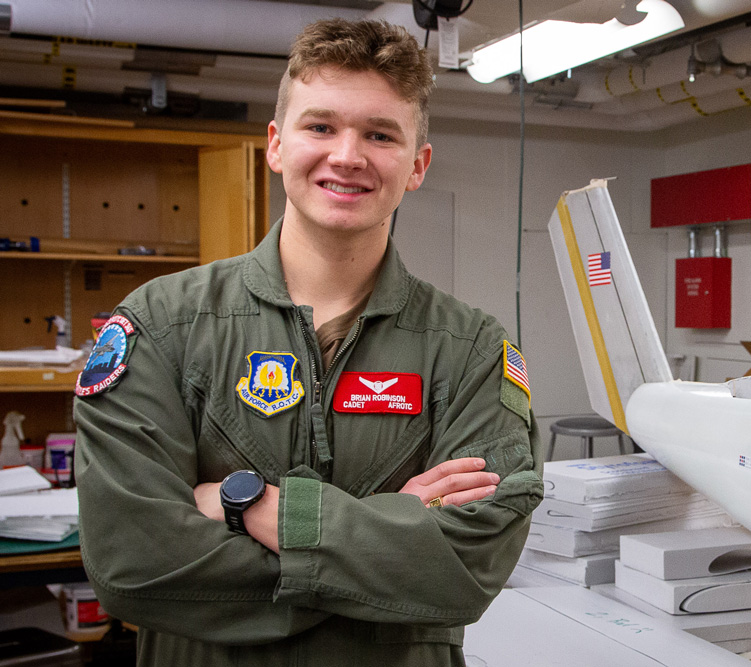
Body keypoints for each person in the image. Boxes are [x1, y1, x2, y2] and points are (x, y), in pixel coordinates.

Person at [74, 18, 543, 666]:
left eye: (380, 134)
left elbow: (466, 566)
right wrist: (385, 545)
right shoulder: (161, 325)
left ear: (417, 165)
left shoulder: (468, 351)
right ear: (275, 144)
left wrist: (252, 506)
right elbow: (133, 564)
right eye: (320, 126)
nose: (347, 155)